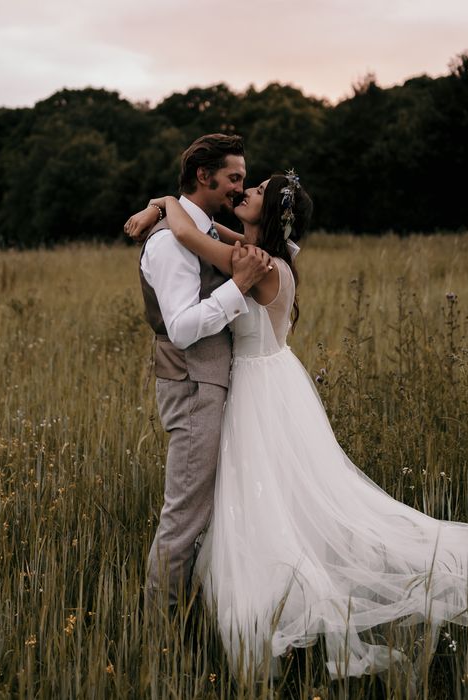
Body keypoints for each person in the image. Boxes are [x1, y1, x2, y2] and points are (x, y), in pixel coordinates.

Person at [126, 171, 468, 682]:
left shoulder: (257, 262)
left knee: (261, 501)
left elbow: (187, 234)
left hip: (256, 386)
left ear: (267, 212)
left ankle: (270, 612)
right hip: (273, 380)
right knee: (277, 499)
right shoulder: (261, 251)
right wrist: (164, 204)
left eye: (255, 191)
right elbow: (205, 230)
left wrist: (162, 203)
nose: (243, 193)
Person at [130, 133, 273, 611]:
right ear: (203, 177)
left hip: (210, 383)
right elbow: (184, 328)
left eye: (245, 181)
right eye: (234, 178)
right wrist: (237, 288)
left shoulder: (204, 229)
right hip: (192, 385)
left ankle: (195, 609)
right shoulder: (171, 242)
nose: (239, 188)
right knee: (185, 516)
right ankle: (158, 631)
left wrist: (161, 202)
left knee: (206, 512)